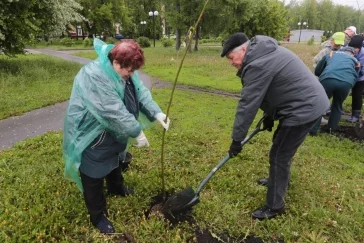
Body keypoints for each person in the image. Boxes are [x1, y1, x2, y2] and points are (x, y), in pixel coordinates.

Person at [63, 38, 170, 233]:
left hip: (112, 130)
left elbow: (140, 91)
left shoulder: (126, 72)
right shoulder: (94, 75)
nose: (130, 75)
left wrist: (156, 112)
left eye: (133, 71)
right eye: (128, 70)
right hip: (91, 132)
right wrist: (136, 132)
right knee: (93, 171)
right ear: (115, 62)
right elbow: (112, 111)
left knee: (115, 157)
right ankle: (97, 215)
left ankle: (116, 188)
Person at [221, 33, 330, 220]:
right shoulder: (263, 53)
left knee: (279, 154)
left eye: (231, 58)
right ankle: (278, 181)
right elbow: (272, 90)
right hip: (308, 103)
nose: (231, 63)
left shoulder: (257, 64)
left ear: (244, 50)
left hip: (304, 109)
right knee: (281, 146)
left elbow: (248, 104)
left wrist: (236, 140)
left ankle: (274, 206)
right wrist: (270, 116)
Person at [310, 46, 360, 134]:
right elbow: (356, 76)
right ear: (353, 54)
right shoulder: (355, 61)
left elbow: (318, 70)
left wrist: (322, 75)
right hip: (346, 83)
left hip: (328, 79)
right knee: (337, 105)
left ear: (341, 50)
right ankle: (331, 130)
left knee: (320, 104)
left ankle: (313, 130)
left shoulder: (331, 53)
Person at [347, 35, 364, 122]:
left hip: (359, 78)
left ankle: (355, 115)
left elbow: (362, 70)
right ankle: (335, 109)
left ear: (360, 47)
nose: (354, 49)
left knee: (357, 95)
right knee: (341, 92)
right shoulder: (346, 49)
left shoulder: (363, 54)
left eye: (356, 48)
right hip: (347, 75)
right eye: (352, 47)